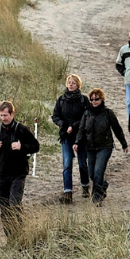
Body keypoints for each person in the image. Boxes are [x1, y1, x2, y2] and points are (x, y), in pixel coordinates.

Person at [0, 100, 40, 238]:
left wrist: (21, 147)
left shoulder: (21, 129)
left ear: (12, 114)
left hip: (18, 173)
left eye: (6, 115)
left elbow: (36, 146)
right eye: (1, 115)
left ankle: (21, 235)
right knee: (4, 206)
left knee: (15, 204)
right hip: (2, 173)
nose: (3, 118)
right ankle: (10, 238)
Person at [73, 89, 128, 204]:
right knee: (92, 174)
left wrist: (123, 143)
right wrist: (77, 142)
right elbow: (81, 130)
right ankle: (103, 186)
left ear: (102, 99)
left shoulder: (108, 113)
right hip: (90, 147)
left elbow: (117, 129)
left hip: (105, 147)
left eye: (96, 99)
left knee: (98, 171)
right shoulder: (87, 113)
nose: (94, 101)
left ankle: (96, 198)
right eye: (92, 99)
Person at [51, 74, 89, 204]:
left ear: (78, 85)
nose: (71, 85)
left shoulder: (84, 100)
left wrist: (74, 126)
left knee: (82, 163)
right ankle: (68, 192)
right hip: (65, 136)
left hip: (81, 136)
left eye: (73, 83)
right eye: (69, 83)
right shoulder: (61, 100)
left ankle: (85, 186)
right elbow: (55, 116)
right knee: (67, 163)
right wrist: (63, 125)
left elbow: (87, 116)